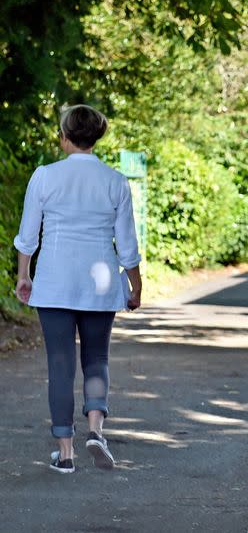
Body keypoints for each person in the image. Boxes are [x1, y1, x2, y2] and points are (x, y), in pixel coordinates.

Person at [13, 104, 142, 474]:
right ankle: (95, 431)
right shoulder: (115, 180)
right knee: (97, 358)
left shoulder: (44, 176)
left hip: (54, 282)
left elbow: (27, 236)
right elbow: (128, 246)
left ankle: (65, 453)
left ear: (64, 136)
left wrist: (25, 276)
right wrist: (136, 287)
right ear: (96, 137)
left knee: (60, 365)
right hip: (100, 285)